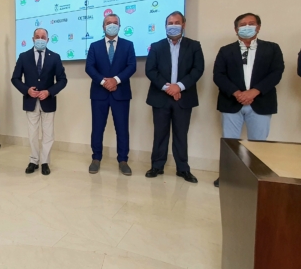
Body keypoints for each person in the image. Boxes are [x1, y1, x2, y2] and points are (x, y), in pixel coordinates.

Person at [213, 13, 284, 187]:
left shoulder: (272, 48)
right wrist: (237, 93)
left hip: (261, 102)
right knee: (230, 143)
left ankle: (256, 179)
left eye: (251, 23)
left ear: (258, 27)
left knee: (258, 144)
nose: (247, 27)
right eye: (242, 24)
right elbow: (219, 75)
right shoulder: (225, 50)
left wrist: (254, 91)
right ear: (236, 29)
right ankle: (228, 176)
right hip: (231, 103)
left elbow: (276, 73)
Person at [145, 12, 204, 183]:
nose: (173, 25)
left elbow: (197, 69)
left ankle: (183, 169)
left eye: (177, 22)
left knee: (181, 134)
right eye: (170, 22)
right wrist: (168, 87)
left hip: (183, 97)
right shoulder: (156, 46)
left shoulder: (194, 46)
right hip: (160, 97)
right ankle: (157, 165)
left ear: (184, 24)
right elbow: (151, 70)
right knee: (160, 133)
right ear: (165, 26)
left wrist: (179, 86)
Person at [11, 28, 67, 175]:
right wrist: (27, 90)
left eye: (43, 37)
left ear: (48, 40)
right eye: (37, 36)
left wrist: (49, 91)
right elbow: (15, 78)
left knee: (48, 134)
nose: (40, 39)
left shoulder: (55, 57)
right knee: (32, 134)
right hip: (30, 101)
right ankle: (34, 160)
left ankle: (45, 162)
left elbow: (62, 80)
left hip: (48, 101)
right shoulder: (23, 56)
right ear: (33, 39)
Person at [85, 13, 137, 175]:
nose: (112, 25)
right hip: (99, 94)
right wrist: (104, 82)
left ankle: (123, 160)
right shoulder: (94, 46)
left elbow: (132, 66)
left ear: (119, 26)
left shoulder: (128, 45)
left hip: (120, 93)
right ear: (103, 27)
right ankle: (96, 158)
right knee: (97, 127)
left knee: (122, 128)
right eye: (109, 22)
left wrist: (115, 80)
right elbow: (89, 67)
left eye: (115, 22)